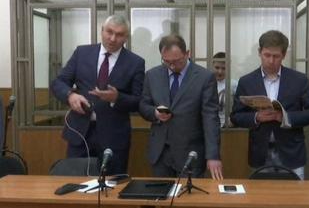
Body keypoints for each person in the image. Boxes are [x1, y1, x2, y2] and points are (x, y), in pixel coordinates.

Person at [51, 15, 145, 175]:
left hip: (113, 138)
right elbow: (58, 82)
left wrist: (117, 98)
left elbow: (138, 101)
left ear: (126, 38)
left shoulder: (135, 62)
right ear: (102, 31)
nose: (113, 38)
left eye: (119, 34)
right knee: (76, 184)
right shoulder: (82, 53)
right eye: (109, 32)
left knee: (111, 187)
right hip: (80, 133)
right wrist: (70, 95)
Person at [230, 30, 309, 180]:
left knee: (293, 199)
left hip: (291, 153)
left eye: (276, 56)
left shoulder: (299, 80)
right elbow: (236, 116)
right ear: (259, 52)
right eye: (267, 55)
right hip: (260, 153)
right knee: (261, 198)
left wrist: (285, 117)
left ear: (284, 55)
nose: (271, 61)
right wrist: (257, 117)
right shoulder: (246, 81)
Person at [139, 34, 223, 180]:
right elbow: (143, 105)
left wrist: (213, 155)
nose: (172, 66)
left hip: (190, 153)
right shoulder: (152, 75)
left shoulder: (205, 77)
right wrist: (155, 113)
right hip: (160, 152)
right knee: (161, 199)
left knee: (187, 200)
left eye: (177, 61)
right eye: (167, 61)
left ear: (187, 54)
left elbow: (210, 118)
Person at [212, 52, 237, 127]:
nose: (220, 71)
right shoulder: (205, 84)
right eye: (217, 68)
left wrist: (233, 120)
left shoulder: (234, 84)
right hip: (209, 126)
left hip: (228, 126)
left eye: (224, 68)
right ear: (211, 66)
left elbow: (239, 108)